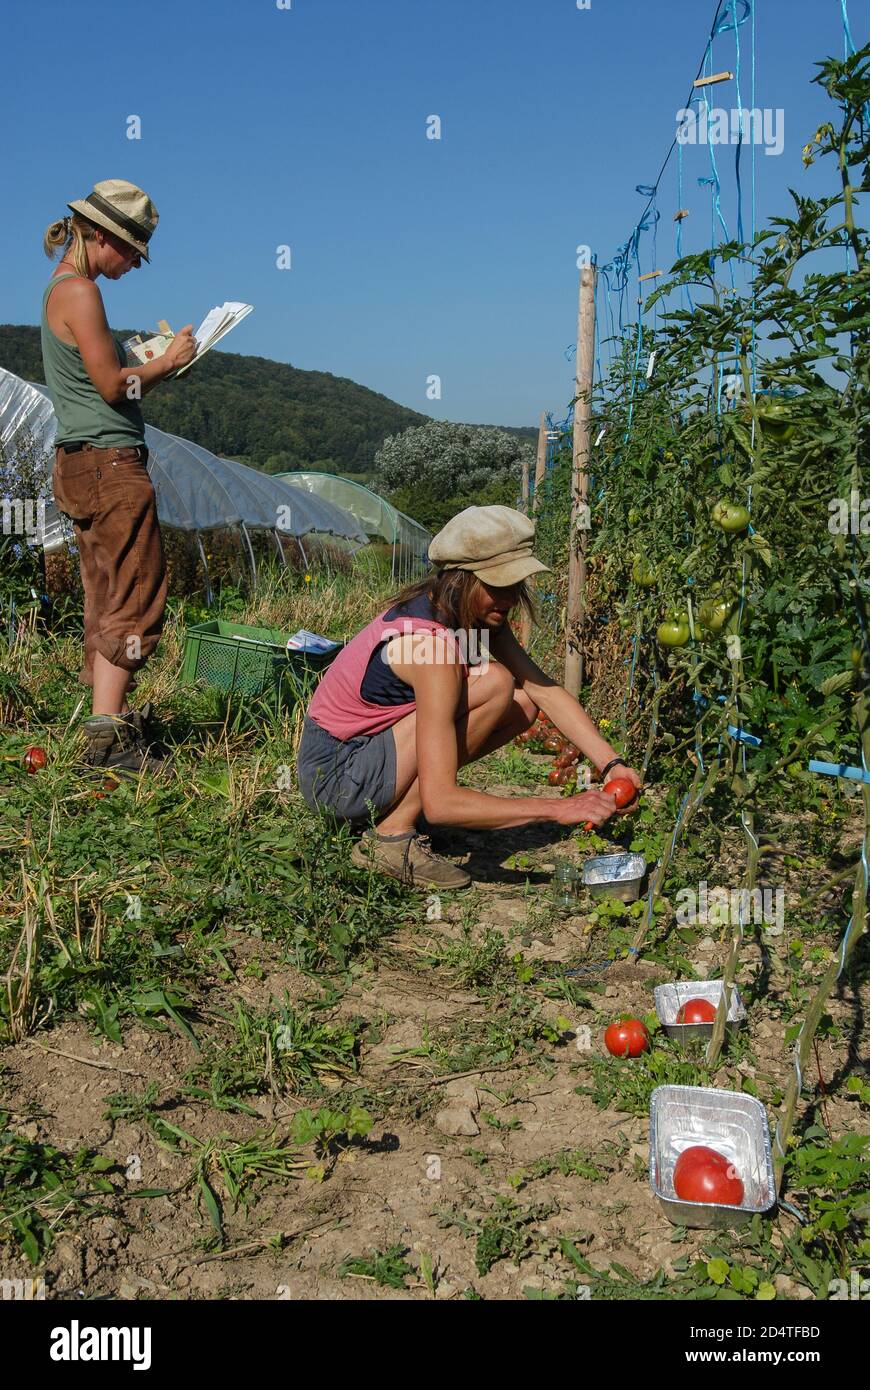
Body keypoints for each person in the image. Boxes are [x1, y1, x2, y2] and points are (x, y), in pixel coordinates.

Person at [297, 505, 643, 889]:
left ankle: (397, 811)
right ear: (460, 579)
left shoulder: (468, 614)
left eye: (516, 584)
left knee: (521, 700)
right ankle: (391, 838)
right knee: (495, 683)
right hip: (335, 778)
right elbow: (442, 803)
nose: (510, 598)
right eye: (499, 585)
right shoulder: (428, 648)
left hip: (366, 758)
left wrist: (609, 762)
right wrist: (559, 809)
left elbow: (542, 689)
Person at [41, 179, 197, 773]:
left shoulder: (60, 289)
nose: (133, 265)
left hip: (82, 463)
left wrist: (152, 363)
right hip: (110, 464)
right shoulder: (82, 293)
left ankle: (103, 726)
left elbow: (103, 378)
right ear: (103, 236)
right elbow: (113, 387)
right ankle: (109, 741)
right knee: (134, 591)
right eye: (132, 251)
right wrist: (166, 363)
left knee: (106, 591)